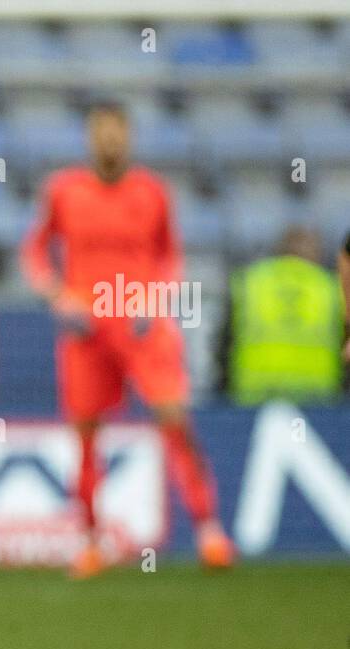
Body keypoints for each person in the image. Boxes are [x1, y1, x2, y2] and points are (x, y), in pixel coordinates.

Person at [20, 102, 234, 577]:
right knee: (86, 434)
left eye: (118, 132)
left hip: (140, 323)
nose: (110, 141)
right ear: (89, 138)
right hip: (87, 329)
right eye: (101, 132)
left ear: (130, 138)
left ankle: (209, 530)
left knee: (173, 417)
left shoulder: (152, 193)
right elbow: (34, 252)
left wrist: (153, 299)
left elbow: (170, 259)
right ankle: (92, 540)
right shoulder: (64, 191)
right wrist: (58, 295)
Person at [222, 226, 345, 404]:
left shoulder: (248, 282)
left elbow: (225, 344)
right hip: (318, 400)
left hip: (253, 400)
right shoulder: (331, 288)